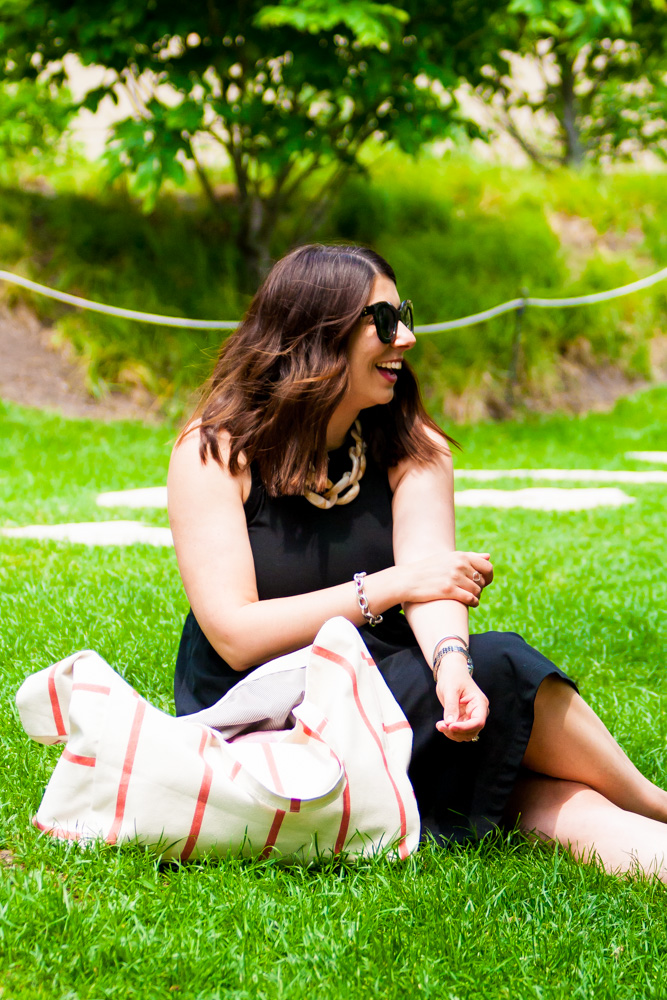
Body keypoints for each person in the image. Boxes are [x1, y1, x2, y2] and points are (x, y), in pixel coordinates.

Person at [168, 243, 667, 878]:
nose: (405, 335)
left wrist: (451, 664)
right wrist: (388, 586)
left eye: (401, 313)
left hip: (390, 692)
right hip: (261, 714)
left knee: (526, 782)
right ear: (319, 335)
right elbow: (237, 637)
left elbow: (433, 581)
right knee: (506, 664)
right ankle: (655, 802)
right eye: (381, 321)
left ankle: (646, 831)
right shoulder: (215, 452)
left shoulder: (412, 444)